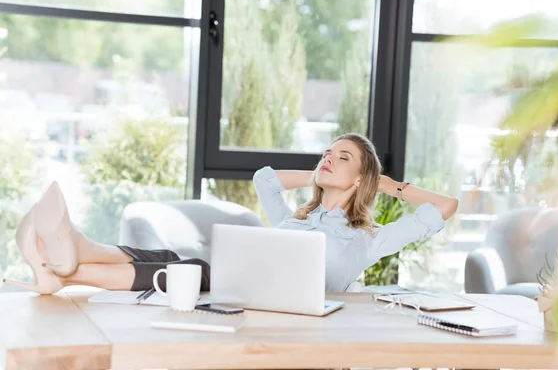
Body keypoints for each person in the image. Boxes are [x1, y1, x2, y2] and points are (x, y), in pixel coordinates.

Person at [2, 133, 458, 294]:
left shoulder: (369, 238)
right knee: (174, 262)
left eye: (342, 158)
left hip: (271, 304)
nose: (328, 158)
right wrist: (321, 174)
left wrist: (388, 184)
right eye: (326, 151)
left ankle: (69, 257)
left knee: (190, 273)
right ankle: (65, 264)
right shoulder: (295, 217)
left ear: (362, 180)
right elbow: (265, 178)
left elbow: (444, 207)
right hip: (236, 286)